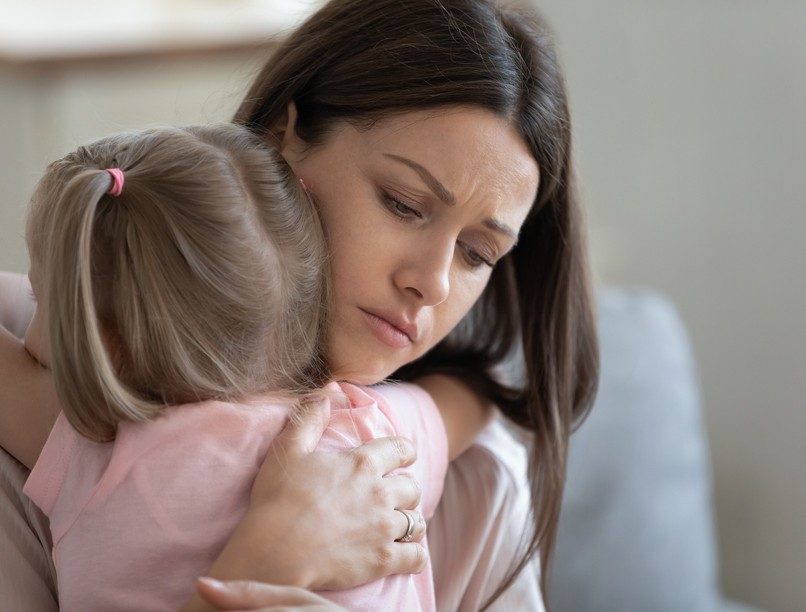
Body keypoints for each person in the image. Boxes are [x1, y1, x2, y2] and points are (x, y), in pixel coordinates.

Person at [0, 0, 600, 610]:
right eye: (401, 202)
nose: (434, 283)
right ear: (279, 138)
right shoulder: (89, 370)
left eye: (477, 252)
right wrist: (267, 560)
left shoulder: (468, 474)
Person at [5, 122, 495, 611]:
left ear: (104, 343)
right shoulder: (364, 432)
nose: (29, 328)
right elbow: (471, 402)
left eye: (39, 298)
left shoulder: (94, 451)